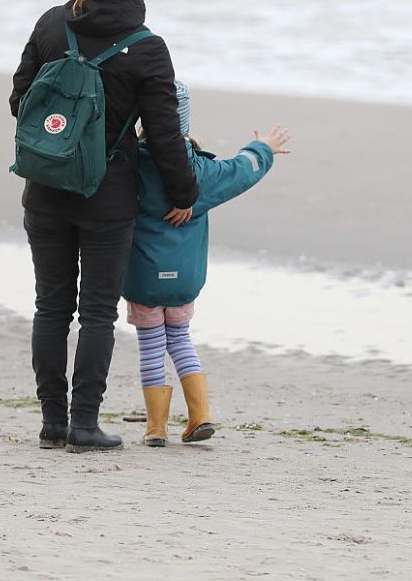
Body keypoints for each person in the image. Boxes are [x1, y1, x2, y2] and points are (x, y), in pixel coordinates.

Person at [10, 0, 198, 453]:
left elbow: (19, 101)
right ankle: (84, 425)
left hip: (45, 188)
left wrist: (63, 135)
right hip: (108, 197)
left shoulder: (52, 23)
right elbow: (164, 136)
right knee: (96, 312)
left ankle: (52, 423)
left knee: (50, 307)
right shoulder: (148, 49)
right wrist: (184, 193)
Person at [123, 81, 291, 446]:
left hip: (143, 280)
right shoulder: (202, 173)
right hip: (185, 280)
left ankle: (155, 429)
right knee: (180, 340)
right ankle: (200, 416)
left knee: (151, 346)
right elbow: (242, 170)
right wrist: (264, 148)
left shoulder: (130, 167)